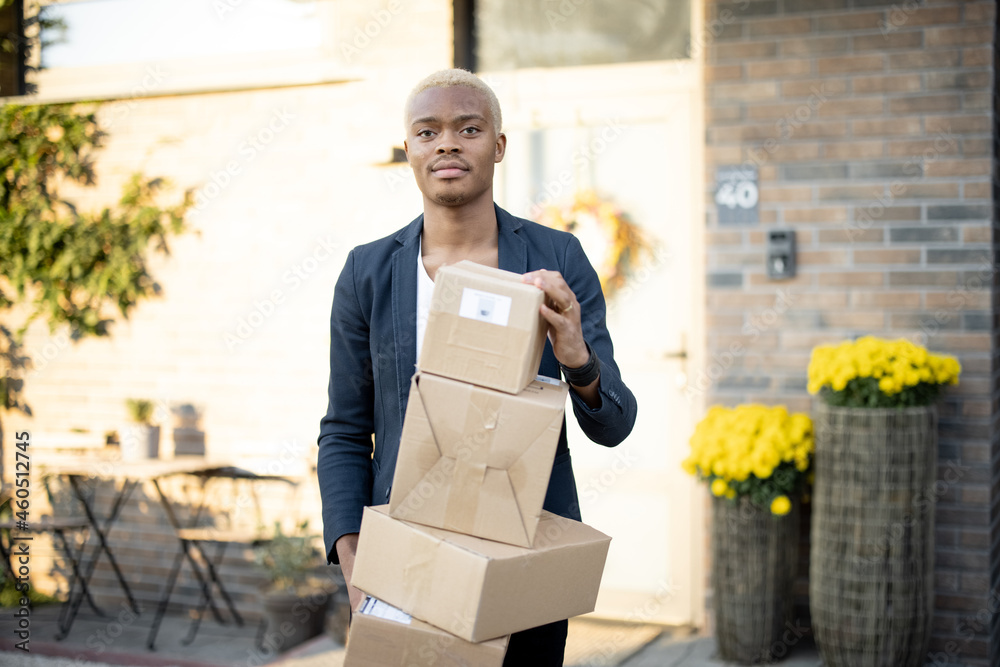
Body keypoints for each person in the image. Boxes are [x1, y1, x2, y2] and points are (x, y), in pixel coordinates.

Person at [317, 68, 637, 665]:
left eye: (468, 128)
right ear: (408, 148)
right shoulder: (368, 273)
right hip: (405, 557)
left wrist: (577, 360)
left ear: (498, 146)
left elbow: (614, 424)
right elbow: (343, 426)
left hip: (526, 556)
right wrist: (354, 556)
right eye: (427, 131)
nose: (447, 144)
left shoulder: (554, 258)